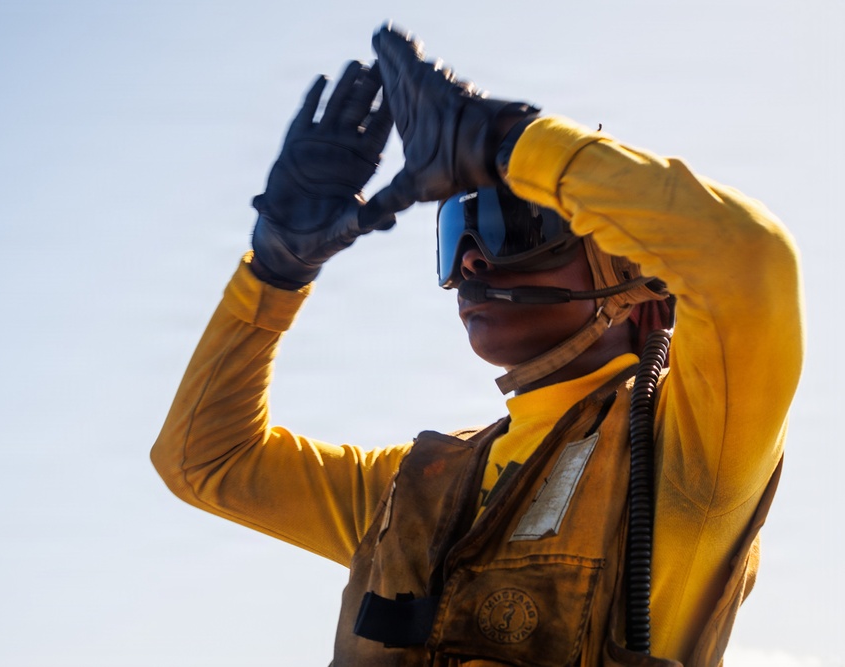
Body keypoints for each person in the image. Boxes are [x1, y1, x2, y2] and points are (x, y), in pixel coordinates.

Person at [150, 23, 803, 667]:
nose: (471, 261)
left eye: (513, 226)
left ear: (642, 291)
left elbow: (749, 258)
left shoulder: (691, 448)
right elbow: (203, 459)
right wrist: (274, 272)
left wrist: (504, 139)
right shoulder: (412, 484)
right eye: (459, 232)